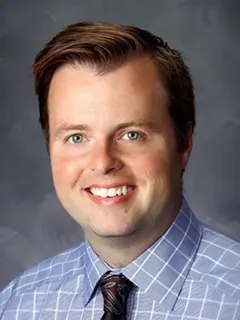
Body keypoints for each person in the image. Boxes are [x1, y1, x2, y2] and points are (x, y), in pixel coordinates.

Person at [0, 21, 239, 320]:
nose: (102, 162)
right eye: (77, 137)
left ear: (184, 141)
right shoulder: (17, 305)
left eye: (131, 134)